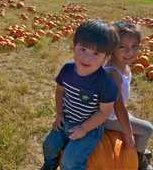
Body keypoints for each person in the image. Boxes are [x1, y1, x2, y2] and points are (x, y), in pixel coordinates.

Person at [41, 19, 119, 170]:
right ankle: (49, 166)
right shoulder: (67, 70)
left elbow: (104, 112)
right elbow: (60, 91)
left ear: (106, 57)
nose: (87, 58)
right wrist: (59, 115)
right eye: (83, 49)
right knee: (49, 146)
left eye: (96, 53)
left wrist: (84, 128)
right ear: (74, 46)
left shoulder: (105, 83)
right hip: (66, 120)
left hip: (90, 128)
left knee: (69, 162)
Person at [104, 21, 153, 170]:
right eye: (122, 47)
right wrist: (127, 132)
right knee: (147, 129)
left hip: (114, 112)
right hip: (107, 117)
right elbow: (118, 106)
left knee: (136, 122)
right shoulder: (113, 73)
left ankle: (137, 150)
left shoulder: (123, 66)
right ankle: (137, 160)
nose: (129, 52)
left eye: (134, 47)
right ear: (112, 48)